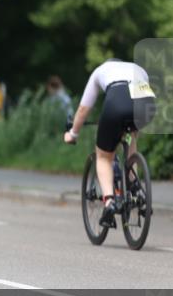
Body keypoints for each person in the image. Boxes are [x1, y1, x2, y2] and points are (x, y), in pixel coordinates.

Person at [64, 59, 156, 228]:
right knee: (131, 136)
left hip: (117, 102)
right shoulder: (138, 69)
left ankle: (109, 202)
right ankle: (136, 190)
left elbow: (83, 109)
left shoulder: (100, 70)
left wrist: (73, 133)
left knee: (103, 156)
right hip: (147, 104)